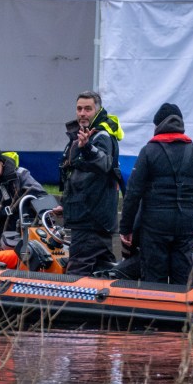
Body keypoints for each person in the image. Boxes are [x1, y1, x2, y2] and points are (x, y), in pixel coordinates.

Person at [118, 103, 193, 286]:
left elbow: (133, 193)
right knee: (181, 279)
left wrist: (126, 228)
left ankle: (155, 313)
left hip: (154, 227)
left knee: (154, 281)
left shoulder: (148, 151)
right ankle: (181, 313)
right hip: (185, 226)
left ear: (157, 126)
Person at [59, 90, 124, 276]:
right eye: (79, 109)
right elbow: (78, 179)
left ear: (97, 110)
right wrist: (65, 205)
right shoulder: (81, 135)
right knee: (104, 271)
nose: (82, 113)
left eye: (88, 109)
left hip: (90, 220)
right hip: (92, 217)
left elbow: (104, 163)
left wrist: (87, 147)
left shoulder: (100, 136)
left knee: (77, 272)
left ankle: (69, 304)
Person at [0, 141, 47, 238]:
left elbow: (42, 196)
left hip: (30, 234)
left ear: (1, 162)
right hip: (5, 239)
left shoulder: (20, 175)